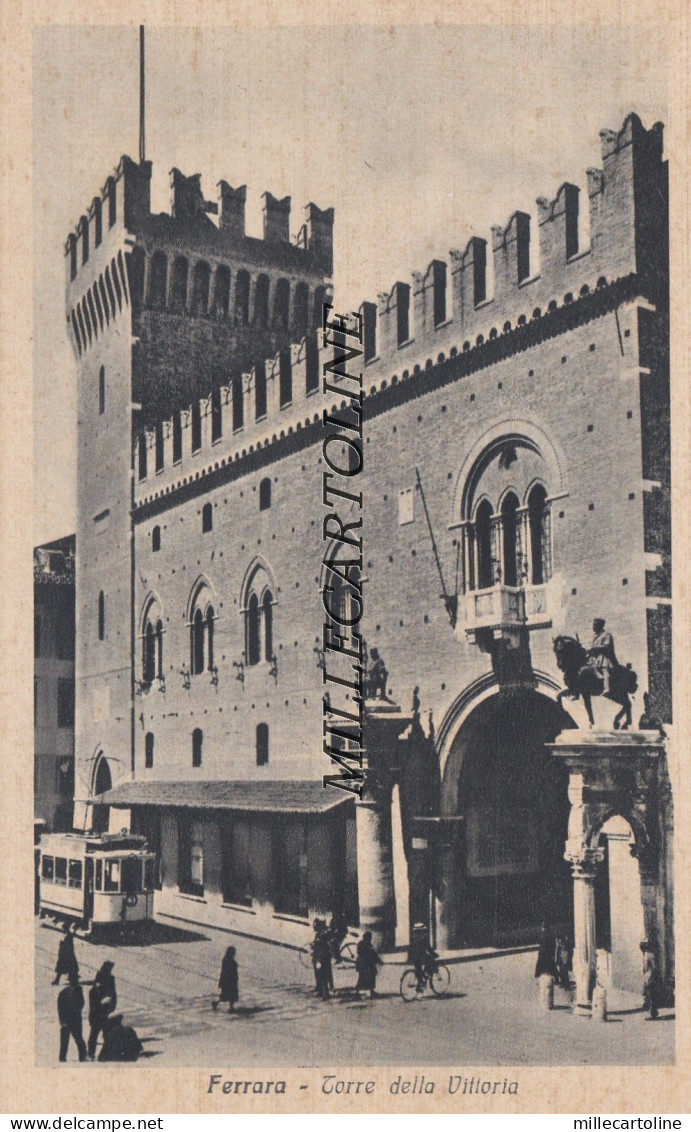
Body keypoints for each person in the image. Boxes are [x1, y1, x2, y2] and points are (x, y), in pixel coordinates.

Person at [87, 961, 117, 1059]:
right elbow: (93, 1001)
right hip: (97, 1014)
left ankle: (105, 1054)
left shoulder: (110, 979)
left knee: (106, 1034)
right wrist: (103, 1003)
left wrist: (112, 1006)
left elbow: (114, 994)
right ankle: (91, 1053)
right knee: (95, 1034)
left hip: (105, 1012)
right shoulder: (97, 985)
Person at [57, 973, 87, 1063]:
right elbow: (60, 1008)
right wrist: (63, 1021)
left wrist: (74, 1012)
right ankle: (62, 1059)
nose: (75, 982)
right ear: (70, 981)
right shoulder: (63, 993)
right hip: (66, 1021)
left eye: (76, 980)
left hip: (76, 1020)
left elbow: (81, 1005)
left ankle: (83, 1058)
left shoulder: (79, 991)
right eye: (73, 980)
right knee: (64, 1042)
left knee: (79, 1039)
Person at [587, 618, 618, 696]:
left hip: (605, 657)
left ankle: (607, 687)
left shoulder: (606, 634)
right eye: (593, 624)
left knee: (605, 669)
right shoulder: (595, 636)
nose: (593, 627)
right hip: (596, 659)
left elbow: (606, 646)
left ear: (600, 625)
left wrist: (594, 648)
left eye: (595, 625)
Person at [408, 924, 438, 993]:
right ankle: (424, 980)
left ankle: (420, 985)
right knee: (431, 963)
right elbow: (429, 949)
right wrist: (434, 954)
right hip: (420, 956)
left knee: (419, 970)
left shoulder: (413, 937)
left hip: (413, 956)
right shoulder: (423, 938)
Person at [355, 931, 383, 999]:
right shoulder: (369, 945)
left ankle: (357, 991)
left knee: (361, 978)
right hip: (368, 965)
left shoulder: (360, 943)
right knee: (371, 977)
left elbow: (359, 952)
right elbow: (373, 954)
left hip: (361, 964)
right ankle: (372, 992)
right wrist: (380, 962)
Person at [212, 946, 239, 1013]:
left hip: (229, 980)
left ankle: (217, 1003)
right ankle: (231, 1007)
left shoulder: (226, 960)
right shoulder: (228, 960)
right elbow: (227, 971)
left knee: (226, 994)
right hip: (230, 980)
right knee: (230, 994)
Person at [641, 941, 661, 1021]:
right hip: (647, 978)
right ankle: (653, 1012)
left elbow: (654, 967)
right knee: (649, 995)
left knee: (650, 995)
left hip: (650, 978)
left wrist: (650, 979)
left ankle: (652, 1014)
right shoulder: (646, 954)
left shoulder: (649, 955)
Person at [312, 922, 332, 1001]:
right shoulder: (319, 935)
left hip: (322, 960)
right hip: (318, 958)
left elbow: (322, 950)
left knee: (323, 976)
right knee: (319, 975)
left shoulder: (323, 936)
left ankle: (326, 994)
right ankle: (321, 991)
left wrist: (319, 961)